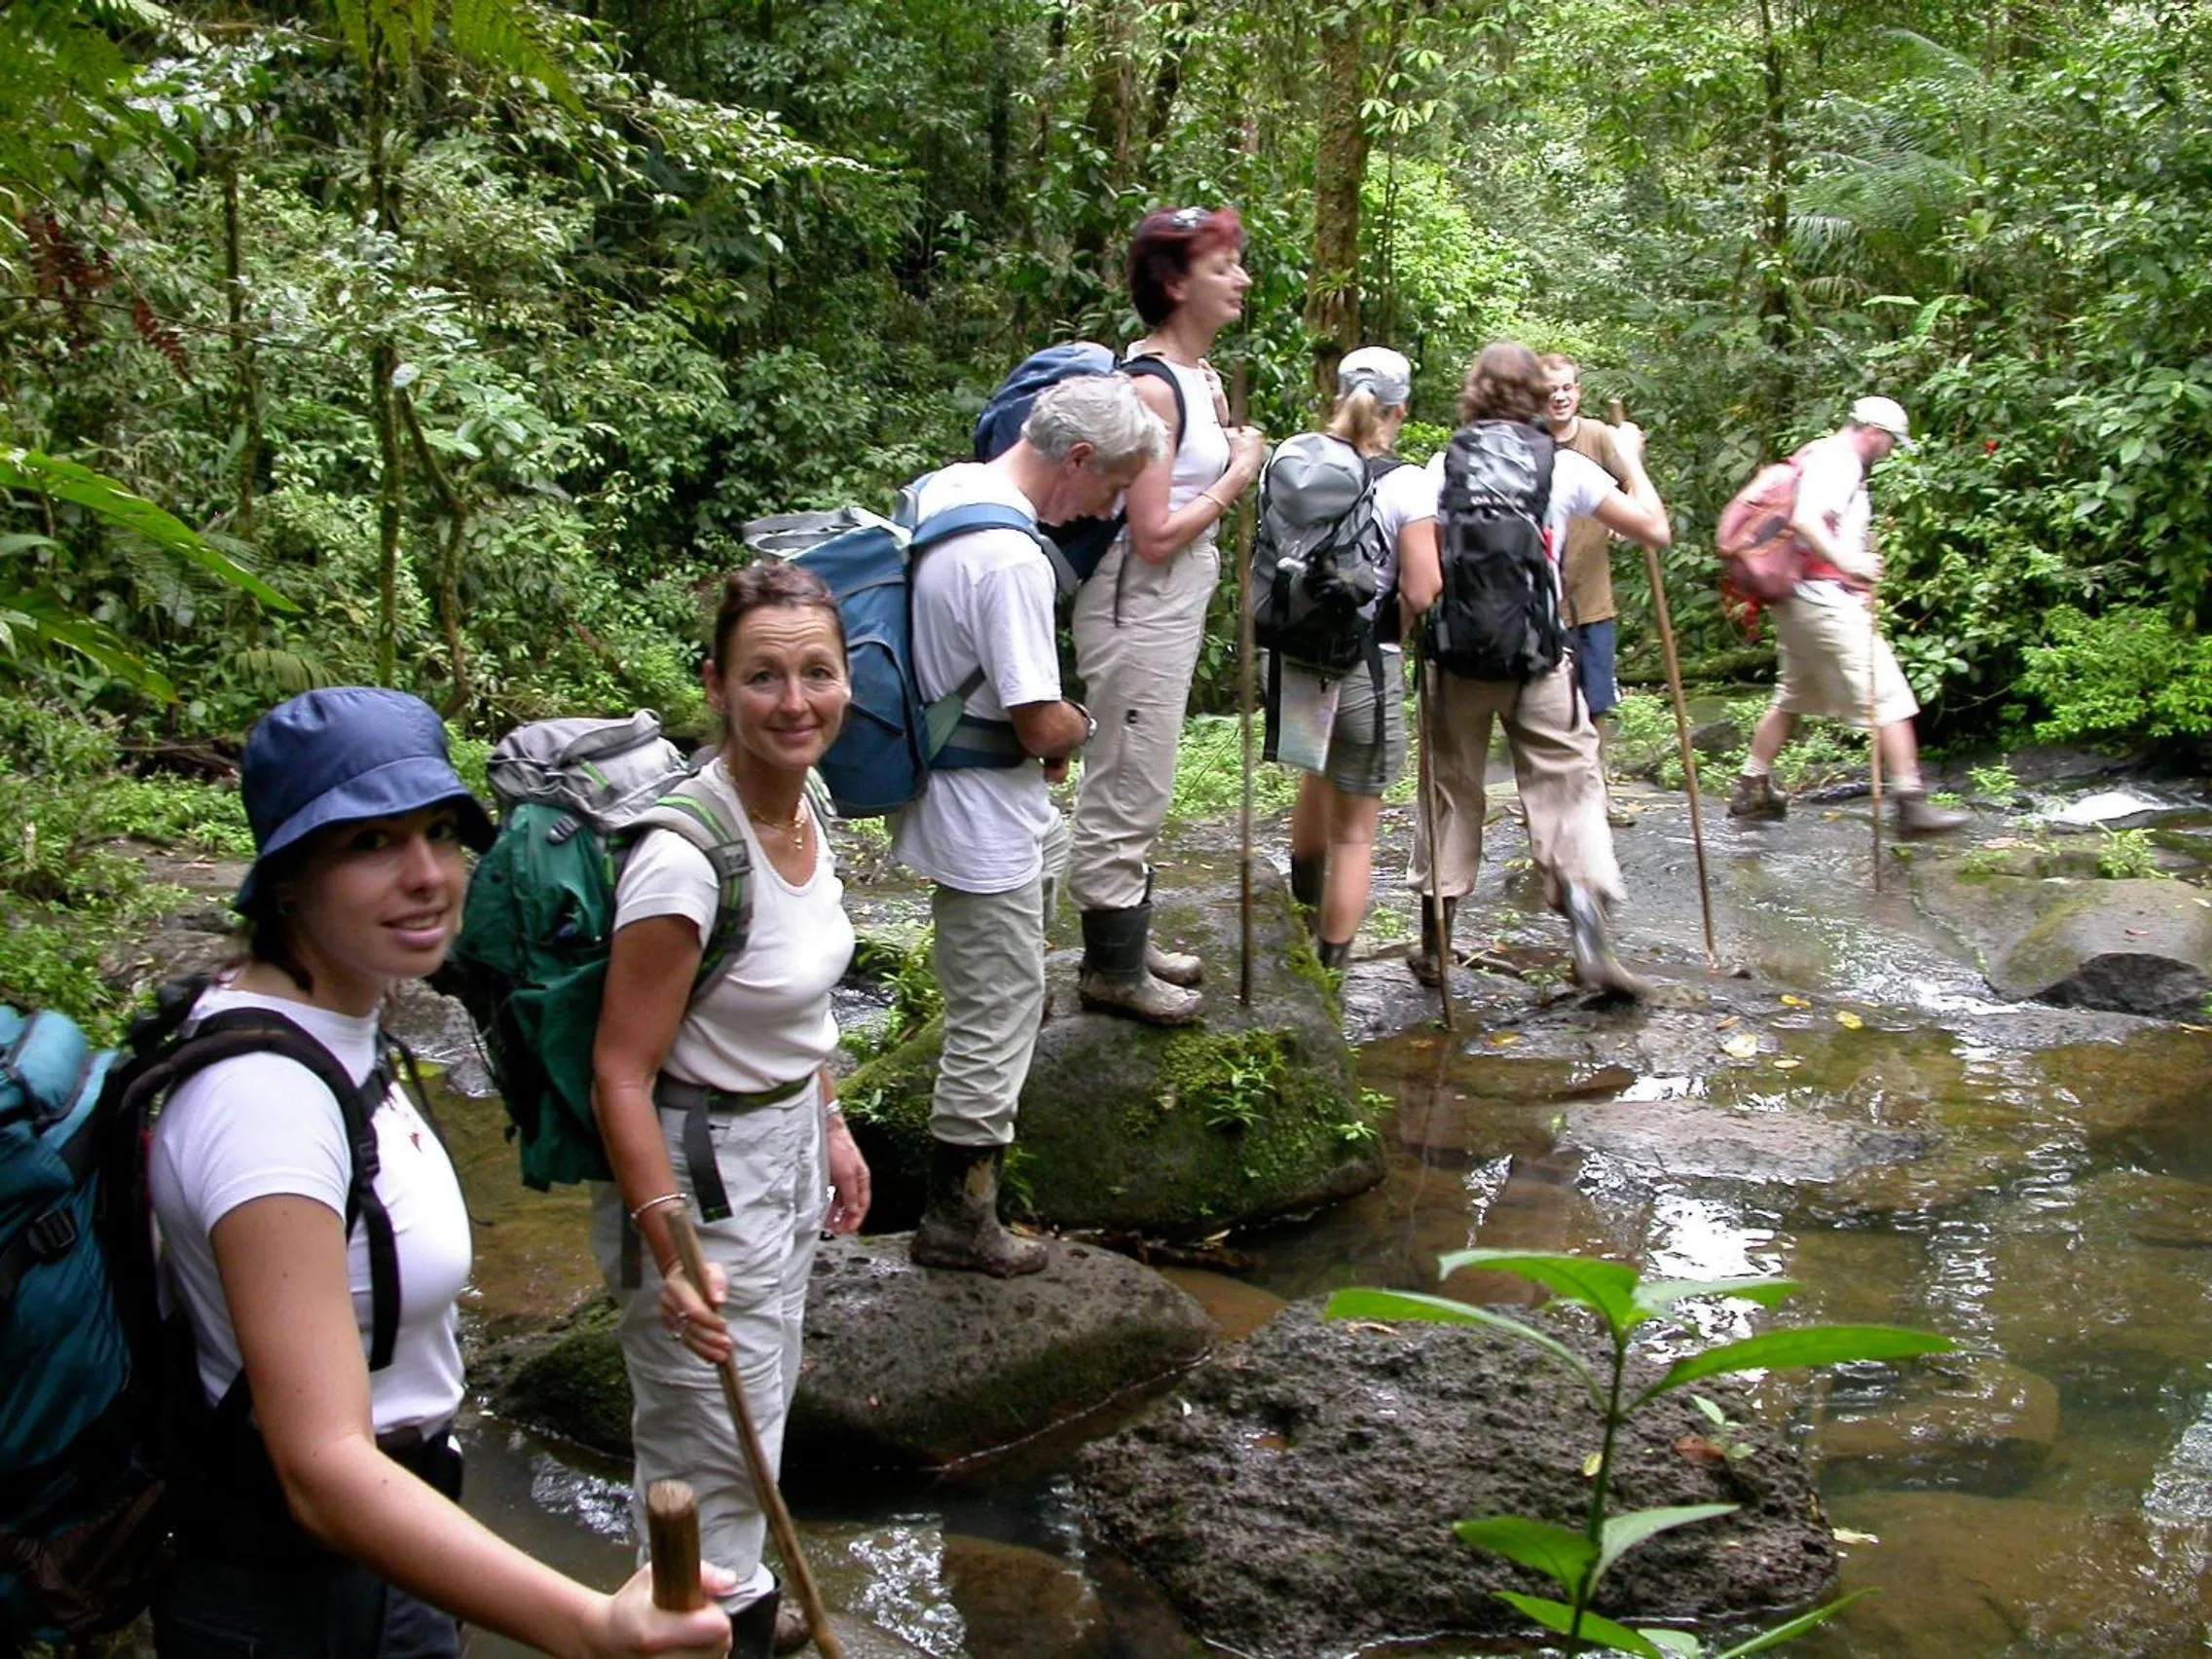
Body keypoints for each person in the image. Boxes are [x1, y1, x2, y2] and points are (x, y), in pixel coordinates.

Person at [149, 685, 733, 1659]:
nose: (426, 876)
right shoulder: (267, 1106)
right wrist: (590, 1628)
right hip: (302, 1599)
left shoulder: (337, 1032)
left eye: (438, 834)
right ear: (286, 876)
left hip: (379, 1561)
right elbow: (325, 1469)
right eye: (369, 845)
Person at [593, 562, 871, 1658]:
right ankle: (714, 1624)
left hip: (783, 1144)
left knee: (758, 1406)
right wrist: (667, 1249)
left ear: (850, 679)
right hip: (695, 1174)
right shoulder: (683, 857)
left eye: (817, 671)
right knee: (706, 1441)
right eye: (764, 677)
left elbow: (792, 1004)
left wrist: (834, 1126)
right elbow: (620, 1070)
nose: (795, 701)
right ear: (716, 685)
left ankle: (743, 1606)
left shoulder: (806, 801)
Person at [891, 376, 1164, 1274]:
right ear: (1077, 459)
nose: (1110, 507)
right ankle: (958, 1218)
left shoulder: (948, 488)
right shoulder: (1010, 557)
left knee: (1008, 984)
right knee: (995, 1012)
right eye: (1113, 487)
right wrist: (1081, 726)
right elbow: (1040, 718)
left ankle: (975, 1179)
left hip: (973, 794)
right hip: (980, 822)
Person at [1399, 342, 1674, 1000]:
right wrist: (1630, 458)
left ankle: (1436, 945)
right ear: (1531, 395)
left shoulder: (1443, 467)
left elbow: (1421, 575)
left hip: (1457, 660)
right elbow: (1653, 530)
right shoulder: (1565, 465)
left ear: (1473, 392)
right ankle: (1586, 942)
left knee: (1450, 792)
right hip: (1540, 657)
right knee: (1570, 790)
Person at [1066, 204, 1268, 1025]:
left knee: (1142, 774)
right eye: (1225, 268)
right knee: (1127, 776)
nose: (1242, 280)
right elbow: (1150, 534)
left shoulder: (1196, 377)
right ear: (1177, 284)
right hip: (1137, 603)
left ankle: (1125, 934)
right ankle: (1109, 968)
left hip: (1169, 602)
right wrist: (1237, 475)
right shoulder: (1151, 387)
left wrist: (1223, 441)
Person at [1726, 396, 1970, 837]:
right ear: (1874, 432)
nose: (1891, 450)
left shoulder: (1817, 454)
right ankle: (1910, 804)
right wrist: (1850, 563)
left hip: (1798, 600)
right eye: (1891, 442)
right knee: (1891, 698)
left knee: (1794, 696)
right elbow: (1806, 521)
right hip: (1822, 601)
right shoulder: (1840, 463)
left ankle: (1751, 786)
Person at [1283, 347, 1439, 968]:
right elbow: (1424, 587)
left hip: (1298, 663)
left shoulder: (1294, 463)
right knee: (1356, 831)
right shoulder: (1407, 482)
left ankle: (1297, 922)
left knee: (1313, 779)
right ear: (1400, 410)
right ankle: (1331, 969)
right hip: (1367, 666)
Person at [1538, 353, 1649, 826]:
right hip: (1541, 602)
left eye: (1567, 388)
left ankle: (1596, 796)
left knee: (1596, 701)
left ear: (1578, 391)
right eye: (1550, 390)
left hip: (1593, 593)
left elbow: (1634, 483)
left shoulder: (1599, 437)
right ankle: (1548, 800)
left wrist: (1626, 510)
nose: (1560, 397)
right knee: (1547, 705)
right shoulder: (1528, 442)